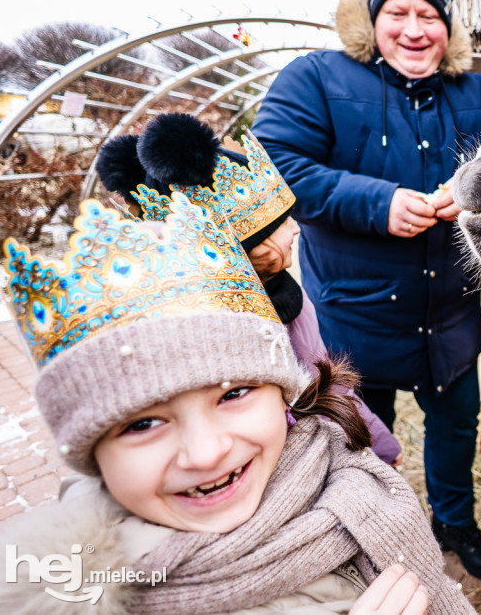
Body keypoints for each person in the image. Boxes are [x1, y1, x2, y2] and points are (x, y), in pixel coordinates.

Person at [0, 192, 474, 614]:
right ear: (92, 453)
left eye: (234, 394)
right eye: (141, 424)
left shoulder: (348, 471)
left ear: (284, 393)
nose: (206, 453)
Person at [251, 0, 481, 579]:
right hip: (353, 323)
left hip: (449, 320)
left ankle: (454, 522)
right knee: (357, 445)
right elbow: (274, 162)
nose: (413, 28)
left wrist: (477, 185)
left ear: (448, 27)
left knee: (456, 431)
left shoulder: (474, 93)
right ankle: (371, 532)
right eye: (397, 11)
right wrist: (376, 202)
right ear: (372, 19)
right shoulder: (317, 78)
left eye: (429, 14)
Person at [93, 112, 402, 466]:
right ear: (249, 245)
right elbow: (330, 390)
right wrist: (383, 448)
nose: (296, 229)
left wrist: (381, 444)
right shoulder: (228, 326)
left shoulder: (286, 296)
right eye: (281, 221)